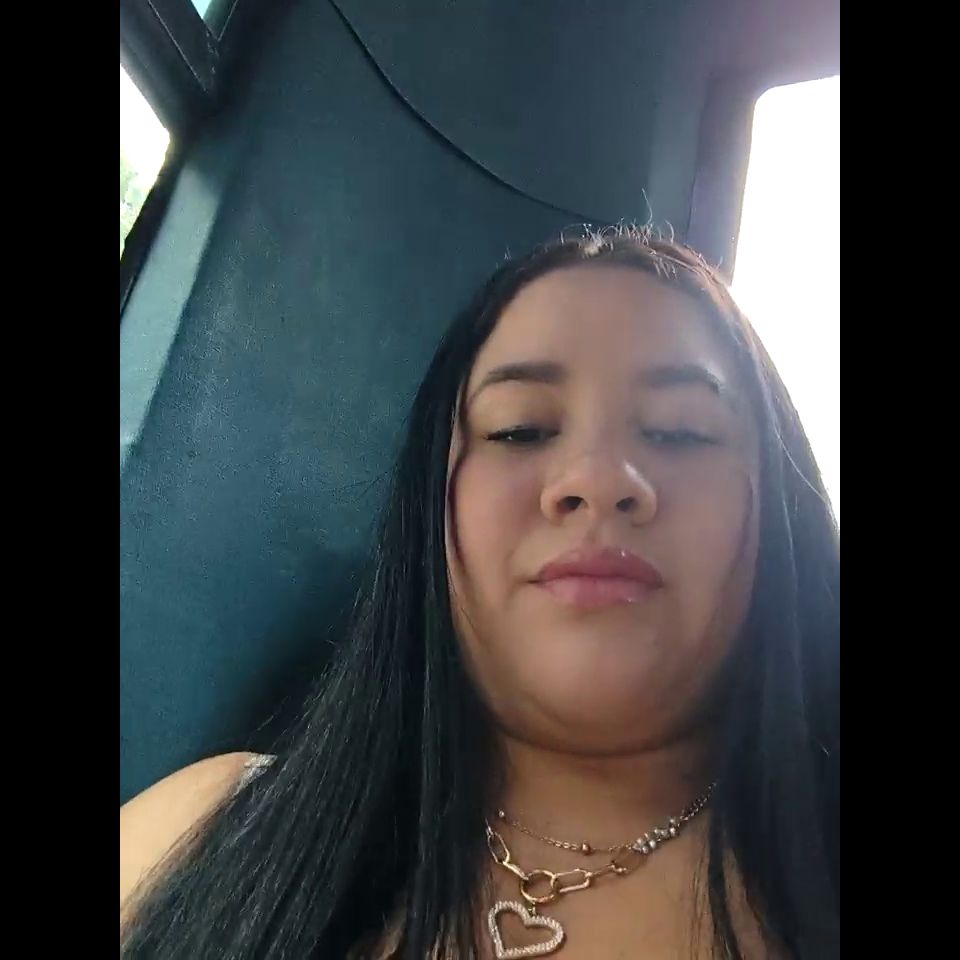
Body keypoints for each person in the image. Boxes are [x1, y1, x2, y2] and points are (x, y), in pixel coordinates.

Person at [120, 225, 839, 959]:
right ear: (427, 503)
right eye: (520, 430)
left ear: (782, 513)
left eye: (681, 431)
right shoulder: (196, 833)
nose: (598, 479)